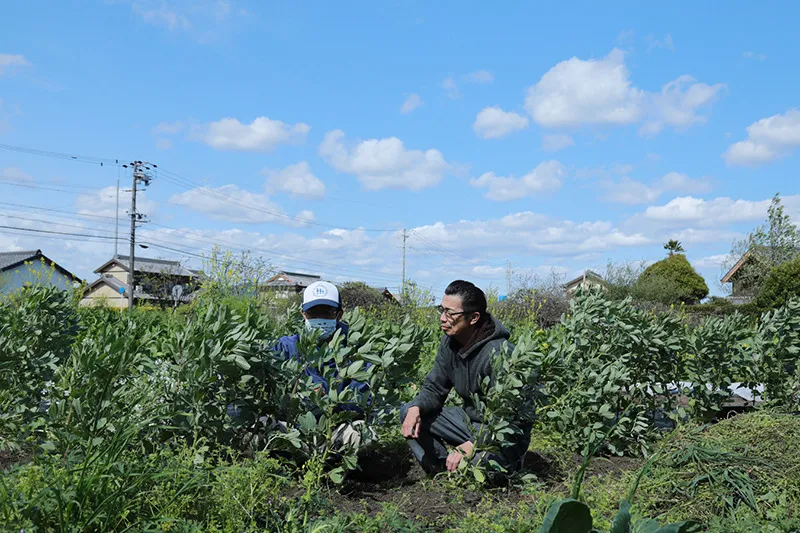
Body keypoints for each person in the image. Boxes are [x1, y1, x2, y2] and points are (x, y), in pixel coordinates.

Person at [400, 280, 531, 476]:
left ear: (473, 318)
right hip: (470, 423)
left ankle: (508, 464)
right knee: (410, 412)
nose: (443, 318)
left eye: (450, 313)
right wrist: (416, 407)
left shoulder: (501, 354)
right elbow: (435, 388)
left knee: (478, 466)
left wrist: (472, 445)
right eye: (441, 310)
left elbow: (513, 419)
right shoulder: (450, 342)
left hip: (503, 436)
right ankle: (441, 471)